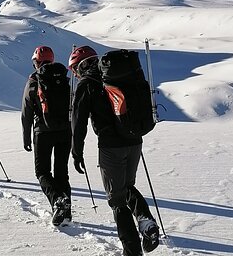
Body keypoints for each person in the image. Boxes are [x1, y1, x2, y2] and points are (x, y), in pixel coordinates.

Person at [69, 46, 160, 255]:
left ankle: (132, 251)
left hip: (111, 146)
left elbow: (78, 123)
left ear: (80, 66)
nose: (75, 74)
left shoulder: (86, 84)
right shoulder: (117, 75)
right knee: (128, 186)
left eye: (75, 70)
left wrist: (77, 152)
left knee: (117, 200)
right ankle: (146, 222)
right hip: (134, 140)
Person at [21, 45, 73, 225]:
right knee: (62, 173)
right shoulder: (64, 79)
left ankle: (58, 202)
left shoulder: (34, 81)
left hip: (42, 132)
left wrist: (26, 137)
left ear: (37, 62)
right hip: (66, 132)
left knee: (42, 172)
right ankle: (66, 212)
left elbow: (26, 112)